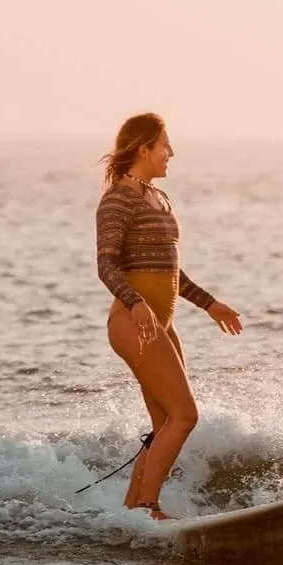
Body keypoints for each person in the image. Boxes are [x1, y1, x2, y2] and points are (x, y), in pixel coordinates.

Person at [94, 112, 244, 519]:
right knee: (185, 415)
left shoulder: (158, 198)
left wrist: (209, 303)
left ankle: (131, 511)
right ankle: (148, 505)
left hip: (161, 323)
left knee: (165, 423)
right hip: (132, 322)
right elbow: (105, 265)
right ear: (143, 149)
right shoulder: (118, 200)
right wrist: (136, 303)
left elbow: (169, 269)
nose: (171, 153)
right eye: (165, 146)